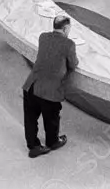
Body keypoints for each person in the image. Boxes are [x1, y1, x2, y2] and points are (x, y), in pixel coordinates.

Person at [21, 15, 77, 158]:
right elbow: (73, 64)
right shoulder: (69, 44)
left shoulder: (43, 37)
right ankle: (53, 142)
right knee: (51, 117)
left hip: (31, 85)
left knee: (30, 118)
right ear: (66, 28)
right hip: (49, 90)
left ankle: (33, 146)